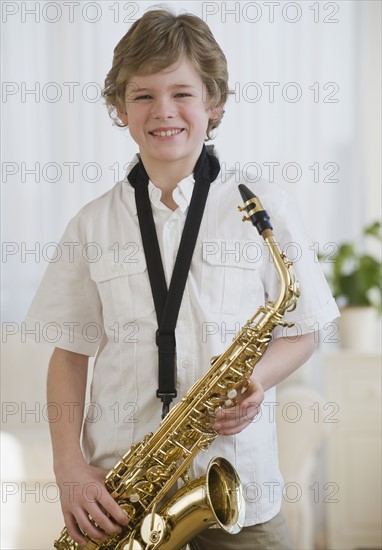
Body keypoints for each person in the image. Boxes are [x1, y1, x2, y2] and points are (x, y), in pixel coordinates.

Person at [26, 7, 340, 549]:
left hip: (238, 487)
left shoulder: (265, 206)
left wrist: (258, 379)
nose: (163, 111)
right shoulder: (91, 223)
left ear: (213, 102)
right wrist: (69, 467)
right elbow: (69, 354)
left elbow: (303, 328)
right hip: (120, 495)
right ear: (120, 107)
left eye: (182, 93)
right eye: (142, 94)